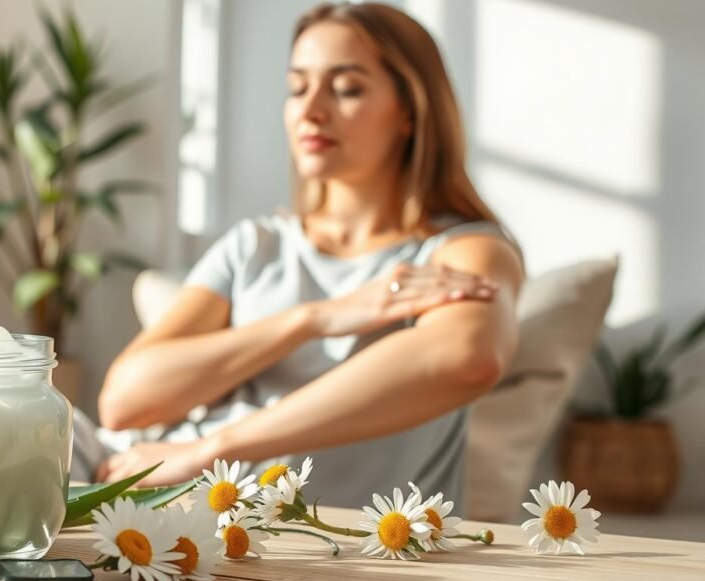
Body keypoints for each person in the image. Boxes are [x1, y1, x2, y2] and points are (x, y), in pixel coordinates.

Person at [71, 1, 524, 511]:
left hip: (239, 518)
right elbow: (123, 402)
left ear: (410, 112)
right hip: (121, 476)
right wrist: (316, 319)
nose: (310, 110)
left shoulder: (465, 250)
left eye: (347, 88)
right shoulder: (257, 245)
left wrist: (209, 451)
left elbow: (466, 358)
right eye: (297, 87)